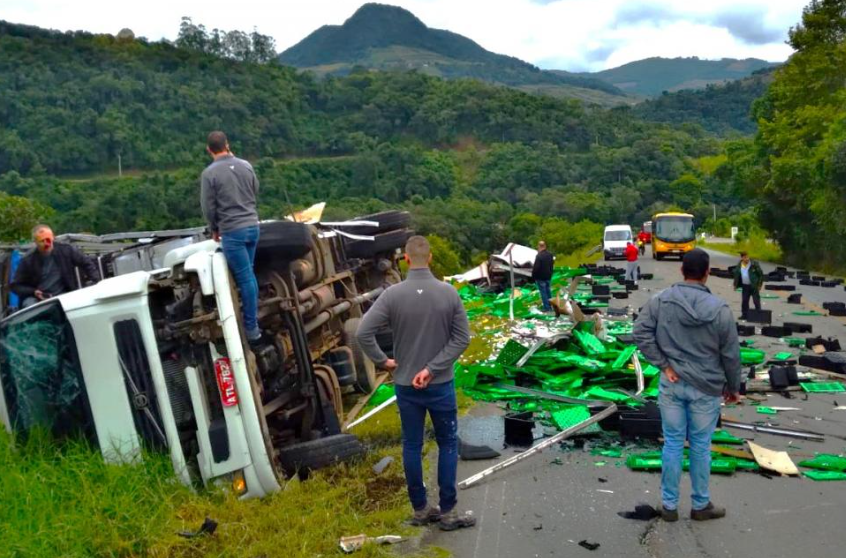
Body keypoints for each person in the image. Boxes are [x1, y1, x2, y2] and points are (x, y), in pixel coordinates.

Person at [356, 236, 475, 532]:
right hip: (440, 384)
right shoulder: (448, 293)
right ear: (430, 258)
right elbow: (462, 339)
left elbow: (362, 333)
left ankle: (420, 509)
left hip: (406, 385)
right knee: (447, 443)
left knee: (412, 444)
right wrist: (433, 368)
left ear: (406, 259)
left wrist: (383, 361)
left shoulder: (392, 295)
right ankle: (448, 512)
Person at [633, 249, 741, 522]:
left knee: (672, 443)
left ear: (682, 270)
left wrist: (663, 365)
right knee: (700, 446)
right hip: (707, 387)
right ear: (706, 273)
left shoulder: (661, 301)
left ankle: (669, 507)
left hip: (672, 382)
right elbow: (730, 354)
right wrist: (733, 387)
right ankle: (700, 505)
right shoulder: (720, 309)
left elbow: (640, 332)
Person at [200, 131, 262, 344]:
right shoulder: (246, 165)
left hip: (232, 231)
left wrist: (215, 228)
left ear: (209, 149)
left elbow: (209, 207)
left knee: (245, 278)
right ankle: (252, 317)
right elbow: (255, 190)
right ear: (227, 144)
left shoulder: (210, 174)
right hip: (253, 226)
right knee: (249, 276)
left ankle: (251, 329)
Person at [10, 225, 99, 308]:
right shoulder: (27, 260)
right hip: (38, 300)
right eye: (42, 241)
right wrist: (33, 292)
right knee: (30, 305)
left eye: (48, 239)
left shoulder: (66, 250)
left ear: (53, 237)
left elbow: (87, 263)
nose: (46, 243)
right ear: (35, 242)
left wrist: (96, 283)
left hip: (65, 295)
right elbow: (15, 286)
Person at [732, 251, 763, 320]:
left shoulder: (754, 264)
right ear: (742, 258)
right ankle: (745, 315)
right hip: (745, 286)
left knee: (756, 301)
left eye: (747, 257)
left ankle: (759, 315)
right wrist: (735, 285)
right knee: (744, 301)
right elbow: (736, 275)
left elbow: (760, 274)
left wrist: (759, 284)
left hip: (753, 285)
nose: (747, 258)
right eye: (745, 257)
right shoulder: (740, 264)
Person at [531, 241, 554, 313]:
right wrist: (550, 273)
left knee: (543, 292)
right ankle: (551, 305)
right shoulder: (550, 255)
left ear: (539, 246)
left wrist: (533, 276)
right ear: (545, 246)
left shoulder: (539, 256)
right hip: (548, 276)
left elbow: (536, 267)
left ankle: (546, 308)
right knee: (548, 291)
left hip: (540, 277)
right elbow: (552, 265)